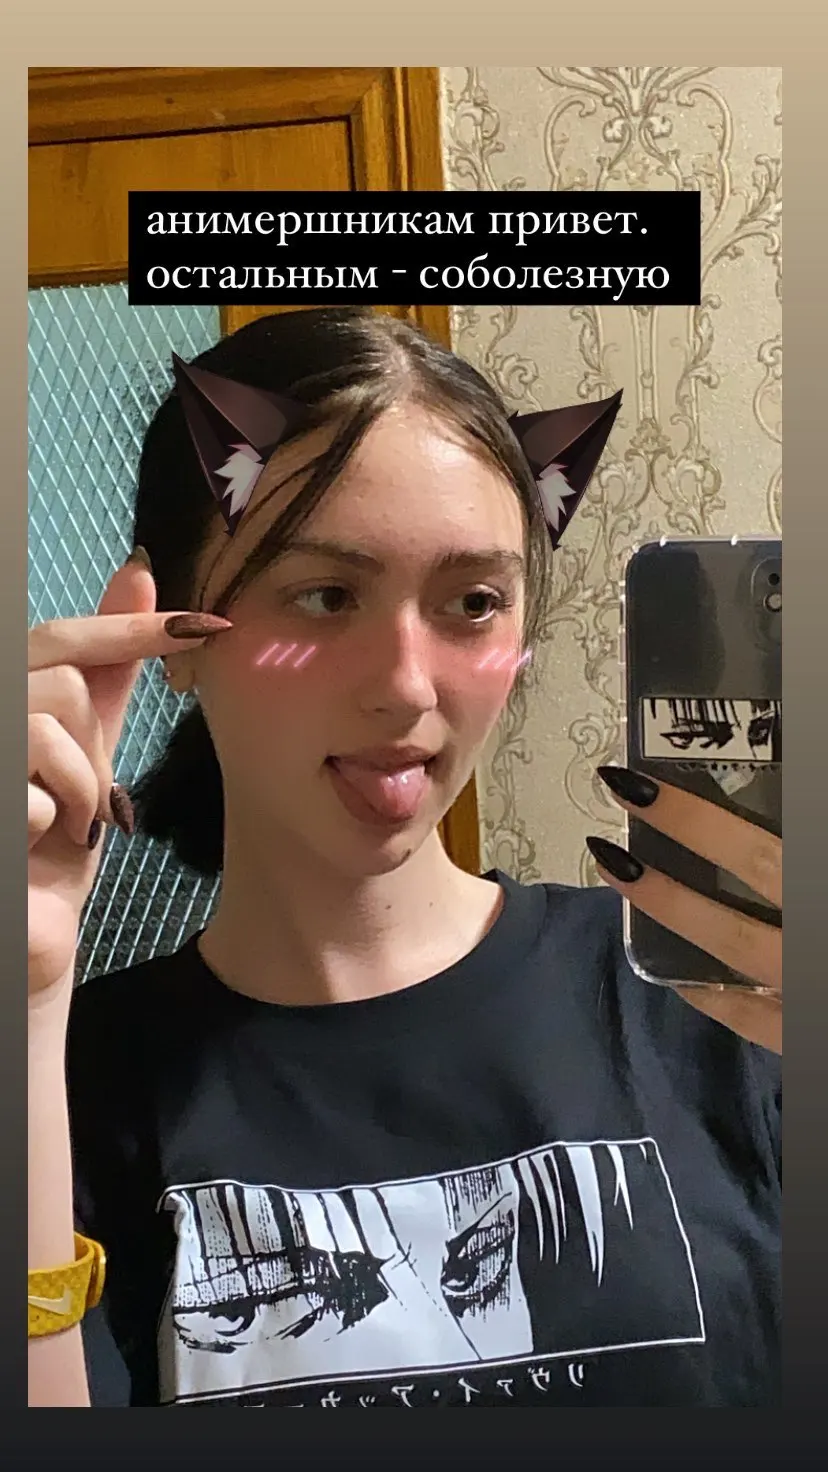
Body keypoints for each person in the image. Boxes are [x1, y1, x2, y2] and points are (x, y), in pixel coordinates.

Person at [27, 308, 781, 1409]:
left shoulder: (718, 997)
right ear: (166, 629)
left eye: (474, 602)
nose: (408, 685)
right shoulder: (63, 1082)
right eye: (325, 596)